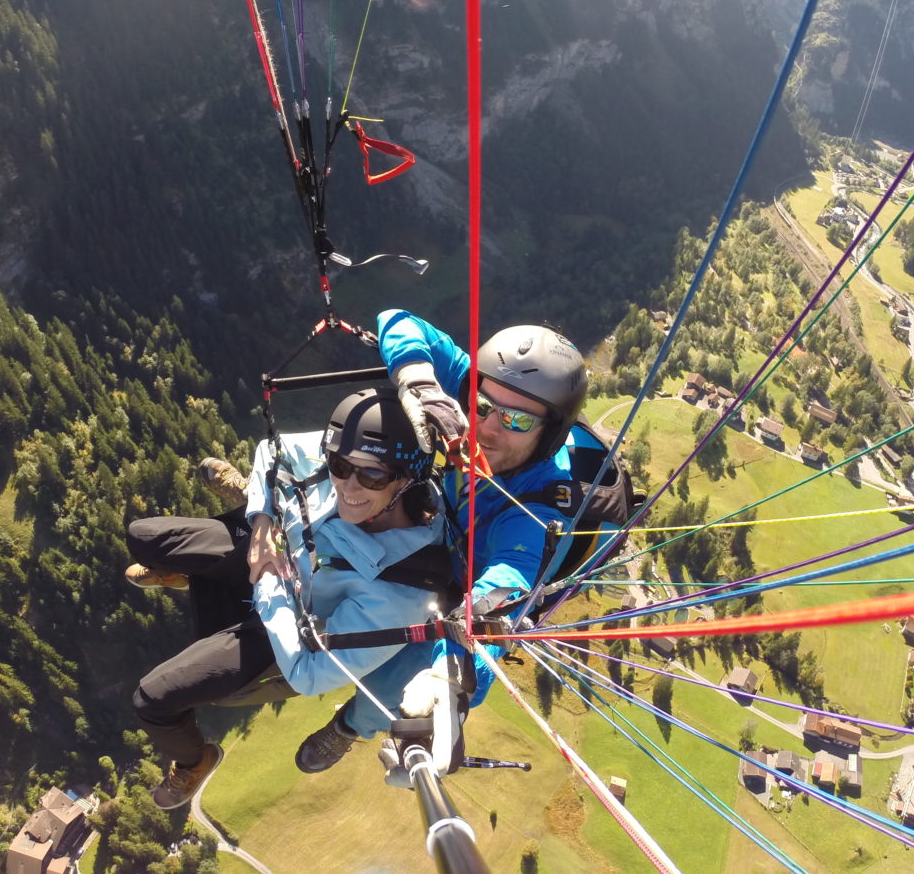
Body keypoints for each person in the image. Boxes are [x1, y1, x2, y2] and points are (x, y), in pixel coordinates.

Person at [124, 386, 447, 809]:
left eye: (371, 476)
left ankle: (194, 760)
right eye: (338, 465)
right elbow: (271, 450)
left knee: (151, 700)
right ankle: (197, 572)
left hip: (287, 621)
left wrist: (267, 578)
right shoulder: (356, 447)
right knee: (142, 537)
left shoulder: (404, 588)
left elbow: (310, 676)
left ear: (408, 478)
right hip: (279, 545)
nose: (348, 486)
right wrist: (261, 524)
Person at [293, 308, 590, 768]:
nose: (488, 428)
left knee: (397, 681)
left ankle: (349, 725)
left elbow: (510, 578)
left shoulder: (539, 506)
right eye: (484, 408)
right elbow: (397, 320)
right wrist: (422, 384)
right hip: (434, 530)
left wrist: (450, 675)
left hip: (464, 587)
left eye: (516, 422)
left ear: (550, 436)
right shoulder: (472, 389)